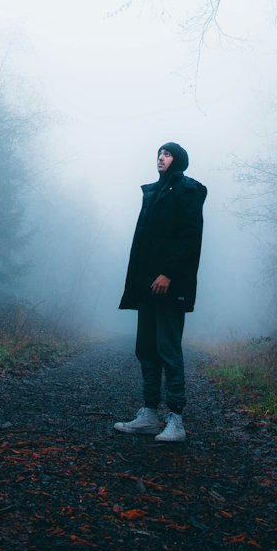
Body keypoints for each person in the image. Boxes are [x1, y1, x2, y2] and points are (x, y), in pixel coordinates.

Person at [113, 142, 206, 443]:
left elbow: (189, 237)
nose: (160, 158)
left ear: (178, 159)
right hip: (147, 286)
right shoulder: (154, 193)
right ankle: (150, 415)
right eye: (158, 154)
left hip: (170, 285)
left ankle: (176, 420)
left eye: (166, 154)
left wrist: (168, 273)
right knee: (146, 349)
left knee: (168, 349)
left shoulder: (187, 190)